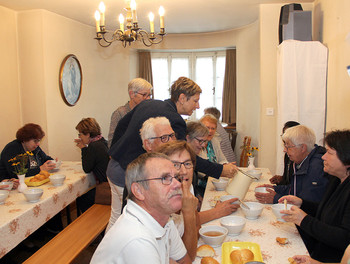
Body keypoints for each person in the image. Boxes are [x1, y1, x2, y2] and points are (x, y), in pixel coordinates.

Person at [107, 77, 237, 222]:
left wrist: (113, 150)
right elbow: (185, 157)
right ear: (182, 98)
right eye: (195, 100)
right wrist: (220, 170)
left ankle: (109, 244)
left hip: (114, 166)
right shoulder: (174, 119)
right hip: (128, 172)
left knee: (116, 218)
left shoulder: (151, 103)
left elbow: (121, 125)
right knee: (126, 221)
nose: (198, 106)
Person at [90, 152, 191, 264]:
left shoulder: (165, 219)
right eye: (165, 178)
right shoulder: (137, 240)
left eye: (176, 177)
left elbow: (184, 261)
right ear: (138, 191)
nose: (177, 184)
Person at [157, 141, 240, 260]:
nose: (184, 171)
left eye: (187, 163)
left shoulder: (187, 186)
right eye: (175, 165)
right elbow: (186, 258)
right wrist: (190, 214)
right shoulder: (160, 202)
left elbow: (195, 227)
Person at [279, 130, 350, 263]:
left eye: (329, 153)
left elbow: (344, 239)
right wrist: (302, 203)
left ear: (347, 159)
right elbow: (327, 212)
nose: (323, 157)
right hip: (317, 250)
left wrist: (304, 220)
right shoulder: (336, 179)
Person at [106, 116, 176, 232]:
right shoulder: (140, 178)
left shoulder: (173, 167)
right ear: (148, 145)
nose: (171, 141)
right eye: (164, 138)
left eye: (172, 135)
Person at [255, 125, 329, 204]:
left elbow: (307, 205)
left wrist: (276, 198)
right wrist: (275, 188)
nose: (284, 150)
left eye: (288, 147)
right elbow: (295, 189)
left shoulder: (316, 168)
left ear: (303, 148)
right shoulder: (303, 160)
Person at [74, 118, 110, 214]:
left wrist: (83, 148)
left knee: (81, 198)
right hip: (111, 183)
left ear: (88, 134)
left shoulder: (93, 146)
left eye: (80, 134)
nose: (80, 137)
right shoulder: (102, 141)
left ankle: (93, 220)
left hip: (105, 188)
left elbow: (86, 168)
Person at [107, 78, 153, 147]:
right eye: (144, 95)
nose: (148, 98)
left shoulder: (149, 111)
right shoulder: (119, 113)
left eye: (149, 95)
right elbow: (112, 142)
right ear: (132, 94)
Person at [198, 114, 231, 194]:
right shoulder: (196, 144)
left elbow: (222, 159)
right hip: (201, 185)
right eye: (207, 127)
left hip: (215, 180)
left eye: (213, 128)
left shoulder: (214, 141)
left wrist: (226, 165)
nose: (210, 131)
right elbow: (199, 170)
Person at [270, 121, 300, 185]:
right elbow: (288, 179)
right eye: (283, 135)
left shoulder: (299, 156)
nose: (284, 138)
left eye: (288, 135)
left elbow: (295, 186)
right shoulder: (287, 155)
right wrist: (281, 179)